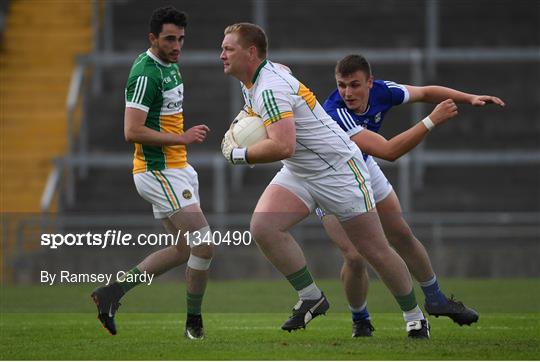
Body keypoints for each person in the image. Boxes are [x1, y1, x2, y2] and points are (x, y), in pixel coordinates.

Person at [220, 23, 430, 339]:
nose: (221, 54)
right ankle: (311, 297)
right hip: (300, 170)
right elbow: (281, 71)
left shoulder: (269, 89)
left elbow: (282, 146)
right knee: (264, 227)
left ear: (251, 53)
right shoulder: (260, 75)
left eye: (229, 49)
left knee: (374, 250)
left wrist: (238, 155)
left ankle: (415, 317)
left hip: (338, 171)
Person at [319, 54, 505, 337]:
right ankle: (361, 319)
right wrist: (432, 121)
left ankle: (436, 299)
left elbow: (426, 92)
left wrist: (469, 98)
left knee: (401, 234)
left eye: (354, 85)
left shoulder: (384, 91)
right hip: (328, 178)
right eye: (342, 85)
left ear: (370, 82)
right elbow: (390, 151)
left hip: (364, 166)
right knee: (356, 256)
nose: (347, 92)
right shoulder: (335, 111)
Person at [91, 6, 213, 340]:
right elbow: (132, 130)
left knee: (182, 250)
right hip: (158, 171)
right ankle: (194, 323)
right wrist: (182, 137)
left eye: (181, 39)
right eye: (170, 39)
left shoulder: (170, 67)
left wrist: (181, 142)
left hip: (177, 169)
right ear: (152, 38)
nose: (177, 46)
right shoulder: (146, 73)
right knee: (204, 244)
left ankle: (112, 293)